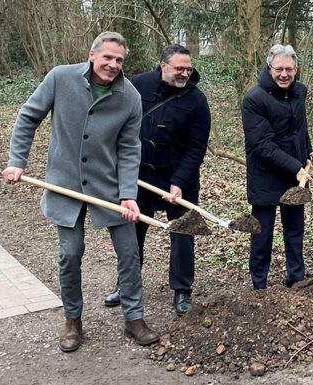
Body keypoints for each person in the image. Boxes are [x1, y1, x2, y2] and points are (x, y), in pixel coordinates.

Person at [1, 31, 158, 352]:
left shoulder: (130, 97)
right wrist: (17, 161)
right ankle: (73, 320)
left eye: (119, 60)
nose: (113, 65)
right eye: (108, 58)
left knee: (129, 253)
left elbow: (129, 149)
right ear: (92, 55)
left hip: (109, 186)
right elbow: (28, 116)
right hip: (64, 184)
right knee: (70, 254)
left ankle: (134, 318)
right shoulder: (60, 79)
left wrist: (128, 194)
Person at [102, 44, 211, 317]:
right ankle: (126, 283)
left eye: (188, 68)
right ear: (163, 65)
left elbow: (196, 148)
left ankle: (182, 289)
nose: (185, 73)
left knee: (183, 234)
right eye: (179, 68)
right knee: (131, 234)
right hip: (138, 178)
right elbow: (117, 124)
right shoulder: (136, 86)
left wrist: (180, 181)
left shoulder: (197, 101)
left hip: (179, 179)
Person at [241, 44, 313, 290]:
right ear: (269, 68)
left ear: (296, 69)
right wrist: (295, 166)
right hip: (265, 176)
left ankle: (296, 277)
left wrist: (308, 148)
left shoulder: (299, 91)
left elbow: (299, 126)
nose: (284, 74)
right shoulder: (254, 99)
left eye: (289, 69)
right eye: (279, 69)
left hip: (295, 175)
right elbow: (262, 144)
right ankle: (259, 285)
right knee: (262, 234)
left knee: (295, 230)